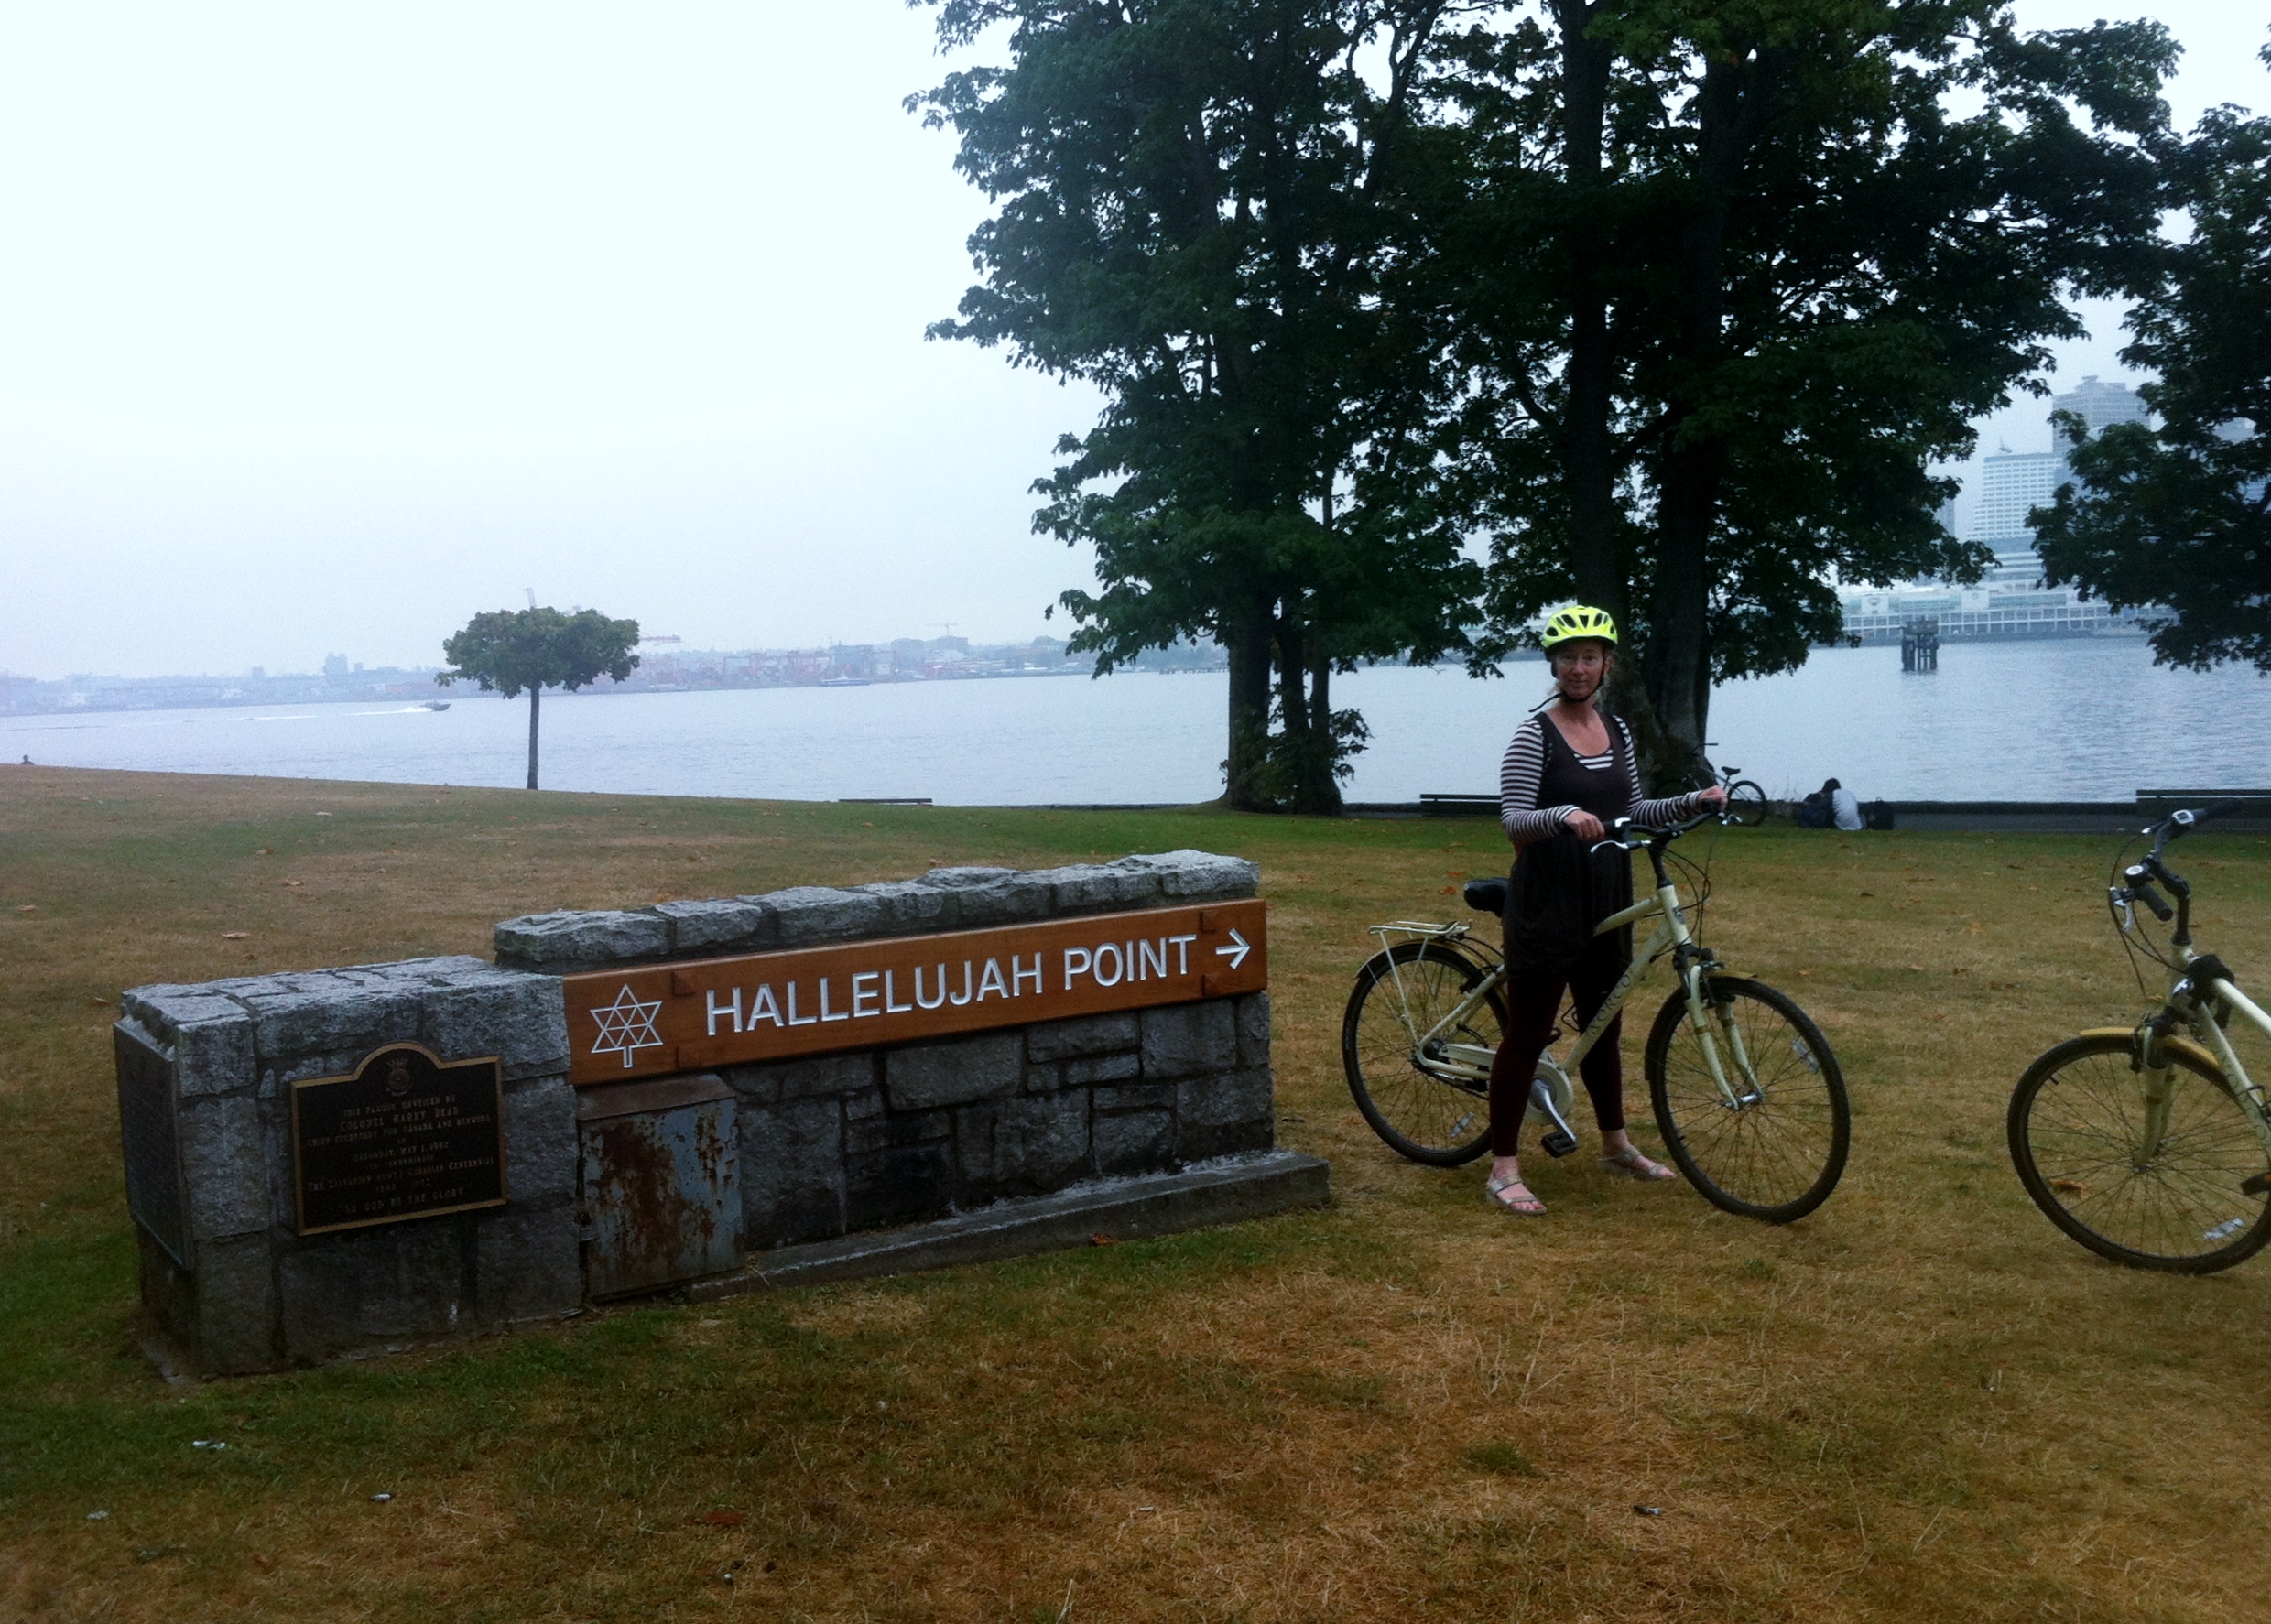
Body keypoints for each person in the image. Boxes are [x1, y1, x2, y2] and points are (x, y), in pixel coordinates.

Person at [1484, 605, 1725, 1216]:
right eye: (1568, 657)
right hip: (1549, 897)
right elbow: (1513, 820)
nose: (1579, 667)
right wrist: (1561, 815)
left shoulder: (1616, 728)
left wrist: (1691, 800)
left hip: (1607, 889)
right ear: (1554, 665)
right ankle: (1504, 1168)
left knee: (1604, 1024)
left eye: (1589, 657)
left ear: (1606, 665)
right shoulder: (1534, 735)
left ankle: (1615, 1144)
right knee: (1528, 1033)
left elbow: (1633, 810)